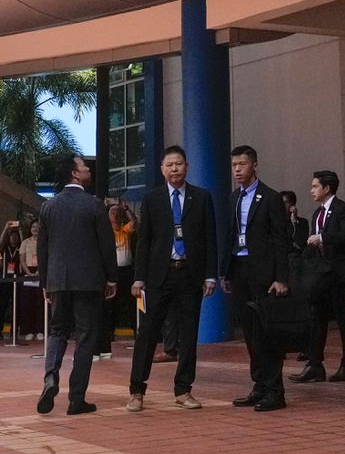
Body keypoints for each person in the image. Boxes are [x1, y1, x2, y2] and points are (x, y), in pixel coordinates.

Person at [127, 146, 218, 412]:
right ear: (162, 170)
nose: (174, 169)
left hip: (190, 275)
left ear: (187, 166)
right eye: (169, 165)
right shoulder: (152, 198)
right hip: (158, 276)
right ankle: (136, 390)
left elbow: (209, 238)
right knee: (147, 333)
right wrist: (138, 278)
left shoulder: (201, 197)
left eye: (178, 164)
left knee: (189, 334)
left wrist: (210, 275)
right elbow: (144, 241)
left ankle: (183, 390)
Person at [37, 155, 117, 416]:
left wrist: (45, 283)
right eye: (84, 166)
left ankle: (50, 379)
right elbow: (106, 245)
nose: (88, 169)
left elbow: (43, 248)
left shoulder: (49, 207)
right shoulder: (94, 205)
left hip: (58, 280)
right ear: (75, 174)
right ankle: (76, 398)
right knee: (85, 337)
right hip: (89, 281)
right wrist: (111, 278)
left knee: (57, 331)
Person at [221, 145, 291, 412]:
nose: (237, 170)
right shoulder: (233, 198)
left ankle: (275, 390)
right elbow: (230, 235)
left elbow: (280, 241)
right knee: (249, 332)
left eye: (242, 164)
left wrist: (281, 277)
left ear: (254, 166)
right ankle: (259, 385)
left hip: (264, 273)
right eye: (234, 165)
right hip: (240, 269)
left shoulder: (270, 197)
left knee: (267, 333)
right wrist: (226, 271)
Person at [292, 170, 345, 383]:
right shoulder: (316, 213)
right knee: (316, 317)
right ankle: (314, 364)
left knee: (343, 319)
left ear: (327, 188)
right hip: (320, 274)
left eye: (315, 186)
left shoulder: (343, 209)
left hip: (339, 274)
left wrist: (323, 238)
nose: (311, 190)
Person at [95, 202, 138, 359]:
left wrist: (126, 210)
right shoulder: (105, 233)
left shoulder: (124, 230)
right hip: (111, 273)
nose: (115, 215)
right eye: (112, 212)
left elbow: (134, 223)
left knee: (131, 302)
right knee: (109, 306)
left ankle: (136, 331)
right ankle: (108, 337)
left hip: (126, 271)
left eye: (117, 212)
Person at [18, 218, 44, 341]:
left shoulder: (44, 242)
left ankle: (40, 330)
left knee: (40, 302)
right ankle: (28, 330)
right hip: (27, 272)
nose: (35, 229)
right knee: (28, 303)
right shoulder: (25, 242)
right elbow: (22, 260)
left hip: (40, 271)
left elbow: (45, 257)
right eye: (33, 226)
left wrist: (39, 270)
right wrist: (28, 272)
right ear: (30, 228)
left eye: (38, 226)